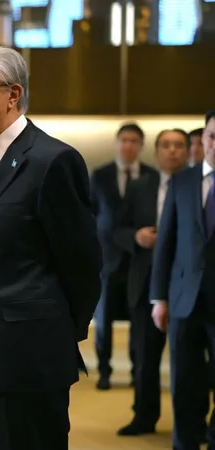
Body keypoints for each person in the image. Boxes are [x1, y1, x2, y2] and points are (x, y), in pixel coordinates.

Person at [0, 45, 101, 450]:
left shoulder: (54, 161)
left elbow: (83, 265)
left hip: (28, 362)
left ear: (13, 95)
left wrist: (49, 334)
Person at [113, 129, 190, 436]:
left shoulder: (196, 185)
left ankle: (188, 422)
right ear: (156, 152)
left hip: (185, 284)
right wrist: (135, 237)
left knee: (186, 358)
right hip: (145, 281)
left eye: (179, 146)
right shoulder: (140, 187)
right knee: (145, 357)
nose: (172, 151)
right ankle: (144, 416)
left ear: (187, 152)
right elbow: (114, 229)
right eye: (166, 146)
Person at [151, 111, 215, 450]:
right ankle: (185, 443)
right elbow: (166, 244)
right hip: (183, 300)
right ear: (202, 140)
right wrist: (158, 298)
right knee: (185, 381)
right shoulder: (182, 181)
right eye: (212, 136)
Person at [90, 123, 154, 390]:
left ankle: (135, 371)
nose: (128, 145)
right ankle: (104, 370)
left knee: (137, 320)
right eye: (124, 140)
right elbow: (90, 215)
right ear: (117, 143)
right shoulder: (100, 175)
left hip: (138, 259)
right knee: (103, 320)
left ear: (140, 146)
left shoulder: (151, 176)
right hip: (107, 260)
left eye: (134, 141)